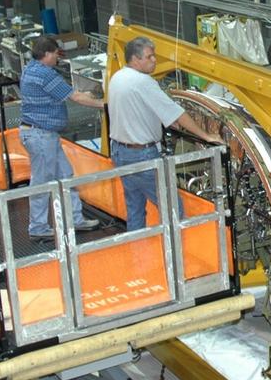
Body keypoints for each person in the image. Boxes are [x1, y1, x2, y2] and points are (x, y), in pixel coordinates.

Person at [107, 35, 217, 230]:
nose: (154, 60)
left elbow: (137, 109)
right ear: (135, 59)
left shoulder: (118, 77)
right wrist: (205, 135)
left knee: (135, 207)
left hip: (120, 152)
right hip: (142, 156)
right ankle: (175, 248)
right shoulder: (143, 82)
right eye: (149, 57)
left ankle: (137, 245)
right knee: (173, 208)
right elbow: (177, 113)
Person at [18, 36, 107, 240]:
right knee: (42, 182)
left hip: (43, 134)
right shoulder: (45, 74)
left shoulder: (30, 68)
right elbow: (75, 97)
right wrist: (105, 105)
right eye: (56, 54)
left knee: (65, 175)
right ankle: (38, 228)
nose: (57, 58)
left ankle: (75, 219)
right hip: (41, 135)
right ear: (47, 54)